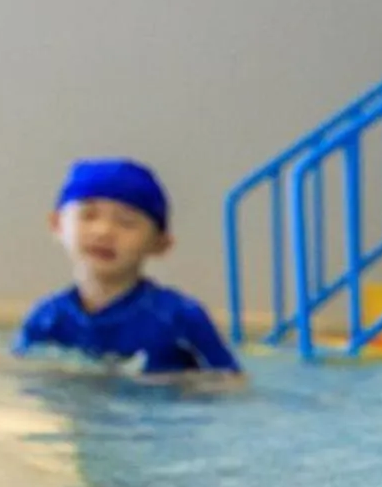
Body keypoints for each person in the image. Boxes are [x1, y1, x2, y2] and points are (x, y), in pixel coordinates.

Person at [15, 159, 240, 379]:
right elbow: (22, 374)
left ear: (160, 244)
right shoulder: (47, 319)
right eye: (88, 216)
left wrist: (175, 383)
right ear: (56, 225)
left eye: (126, 222)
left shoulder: (180, 318)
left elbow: (231, 383)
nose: (104, 231)